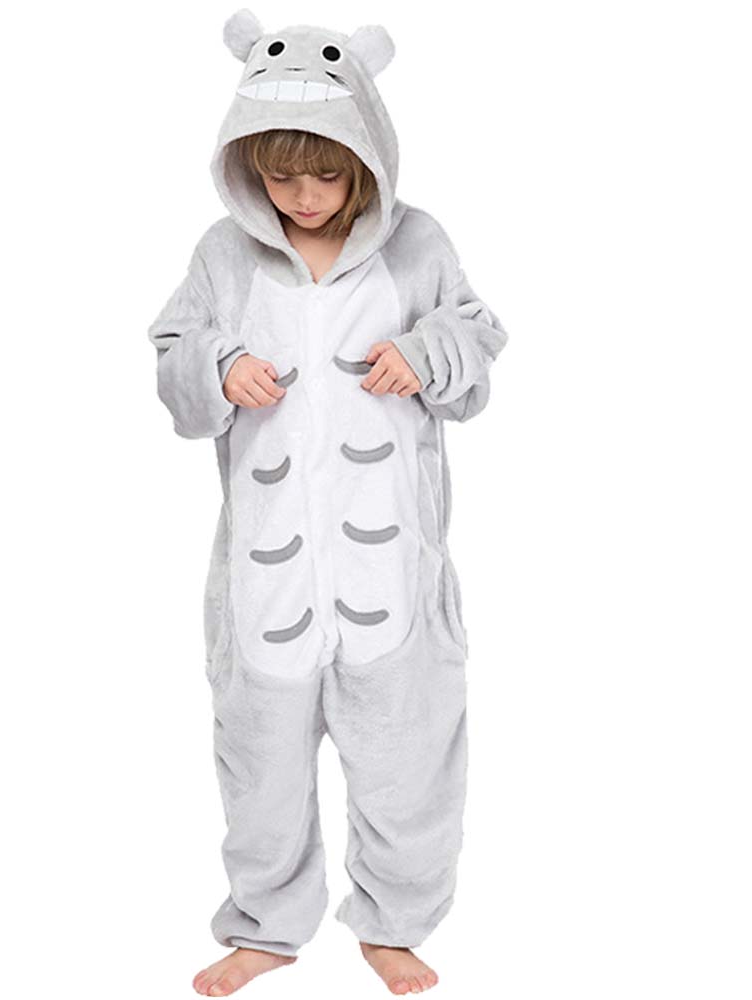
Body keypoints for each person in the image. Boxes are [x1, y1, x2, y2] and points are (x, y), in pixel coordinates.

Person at [147, 10, 509, 997]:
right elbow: (174, 355)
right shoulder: (225, 254)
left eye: (326, 176)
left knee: (408, 756)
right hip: (266, 569)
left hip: (392, 566)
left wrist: (426, 354)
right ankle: (266, 928)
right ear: (246, 167)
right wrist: (218, 366)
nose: (303, 197)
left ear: (365, 160)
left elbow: (477, 343)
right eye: (279, 177)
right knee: (257, 761)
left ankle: (393, 924)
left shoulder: (417, 244)